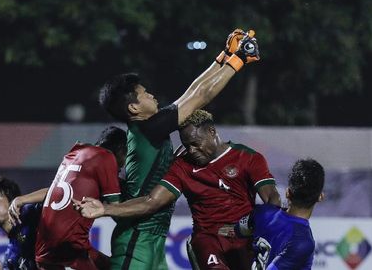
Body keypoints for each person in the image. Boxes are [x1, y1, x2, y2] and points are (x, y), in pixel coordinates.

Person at [97, 29, 260, 269]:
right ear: (133, 108)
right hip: (136, 239)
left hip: (153, 240)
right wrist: (239, 60)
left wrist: (224, 56)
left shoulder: (149, 128)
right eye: (144, 94)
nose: (151, 95)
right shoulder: (148, 130)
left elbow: (192, 93)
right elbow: (201, 96)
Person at [74, 109, 281, 270]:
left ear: (211, 132)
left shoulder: (248, 158)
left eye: (196, 143)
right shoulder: (182, 166)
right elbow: (151, 201)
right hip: (207, 239)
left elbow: (272, 198)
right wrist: (105, 209)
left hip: (243, 238)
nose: (192, 150)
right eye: (186, 145)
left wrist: (254, 227)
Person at [10, 126, 128, 270]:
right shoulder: (106, 157)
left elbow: (56, 192)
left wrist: (22, 199)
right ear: (121, 149)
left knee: (110, 266)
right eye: (126, 157)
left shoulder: (74, 154)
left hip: (44, 248)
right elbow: (117, 210)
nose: (123, 167)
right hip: (69, 248)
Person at [234, 159, 325, 270]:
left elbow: (237, 230)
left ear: (287, 192)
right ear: (320, 197)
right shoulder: (303, 242)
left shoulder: (262, 213)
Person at [0, 176, 41, 270]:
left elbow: (57, 194)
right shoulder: (9, 257)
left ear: (11, 201)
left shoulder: (28, 213)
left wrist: (23, 199)